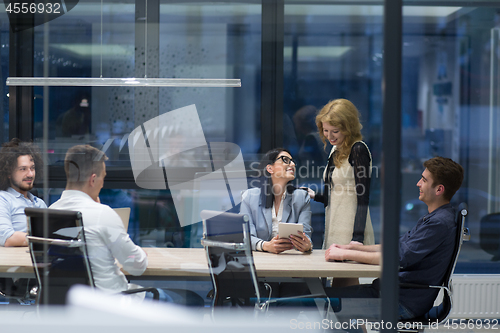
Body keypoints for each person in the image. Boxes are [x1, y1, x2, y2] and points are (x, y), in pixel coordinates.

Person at [49, 145, 203, 305]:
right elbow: (136, 265)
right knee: (192, 301)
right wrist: (140, 253)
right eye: (103, 177)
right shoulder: (103, 214)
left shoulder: (49, 214)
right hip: (112, 303)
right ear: (93, 180)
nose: (103, 184)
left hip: (69, 303)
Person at [324, 156, 464, 320]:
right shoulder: (435, 218)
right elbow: (396, 246)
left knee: (322, 302)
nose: (418, 183)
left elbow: (397, 258)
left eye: (424, 180)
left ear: (439, 189)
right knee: (323, 299)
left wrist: (344, 255)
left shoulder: (438, 223)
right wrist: (353, 248)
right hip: (393, 293)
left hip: (400, 302)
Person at [306, 99, 374, 249]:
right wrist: (314, 195)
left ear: (348, 128)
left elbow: (363, 198)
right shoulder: (336, 149)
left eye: (335, 131)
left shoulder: (358, 149)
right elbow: (336, 195)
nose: (329, 136)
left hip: (351, 229)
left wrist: (357, 239)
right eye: (326, 130)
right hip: (334, 224)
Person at [240, 148, 312, 254]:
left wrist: (307, 245)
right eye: (285, 160)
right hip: (260, 260)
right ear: (270, 168)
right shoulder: (250, 197)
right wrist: (265, 246)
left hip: (291, 260)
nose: (292, 164)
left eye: (292, 161)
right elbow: (244, 236)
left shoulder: (301, 197)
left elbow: (306, 234)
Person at [0, 138, 46, 247]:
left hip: (41, 261)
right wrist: (46, 240)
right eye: (23, 169)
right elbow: (7, 238)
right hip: (15, 262)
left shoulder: (39, 203)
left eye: (32, 168)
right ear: (9, 173)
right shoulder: (3, 199)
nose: (30, 174)